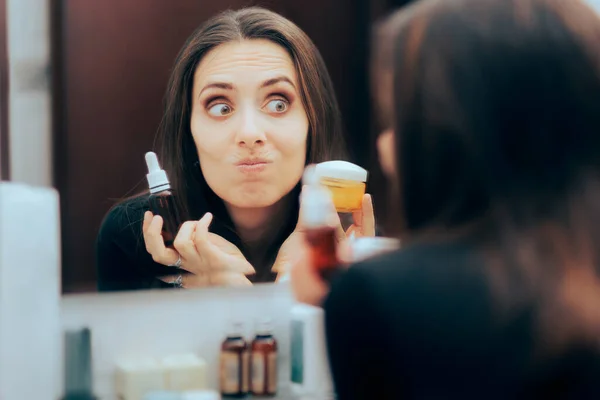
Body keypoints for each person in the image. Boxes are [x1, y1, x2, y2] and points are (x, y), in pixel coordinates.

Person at [291, 0, 600, 397]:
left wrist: (338, 308)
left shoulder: (384, 299)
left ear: (452, 132)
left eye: (399, 123)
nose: (385, 148)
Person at [96, 7, 375, 292]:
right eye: (220, 107)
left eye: (278, 104)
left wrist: (310, 282)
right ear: (188, 130)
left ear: (312, 121)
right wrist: (195, 295)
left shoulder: (349, 236)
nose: (250, 134)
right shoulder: (132, 236)